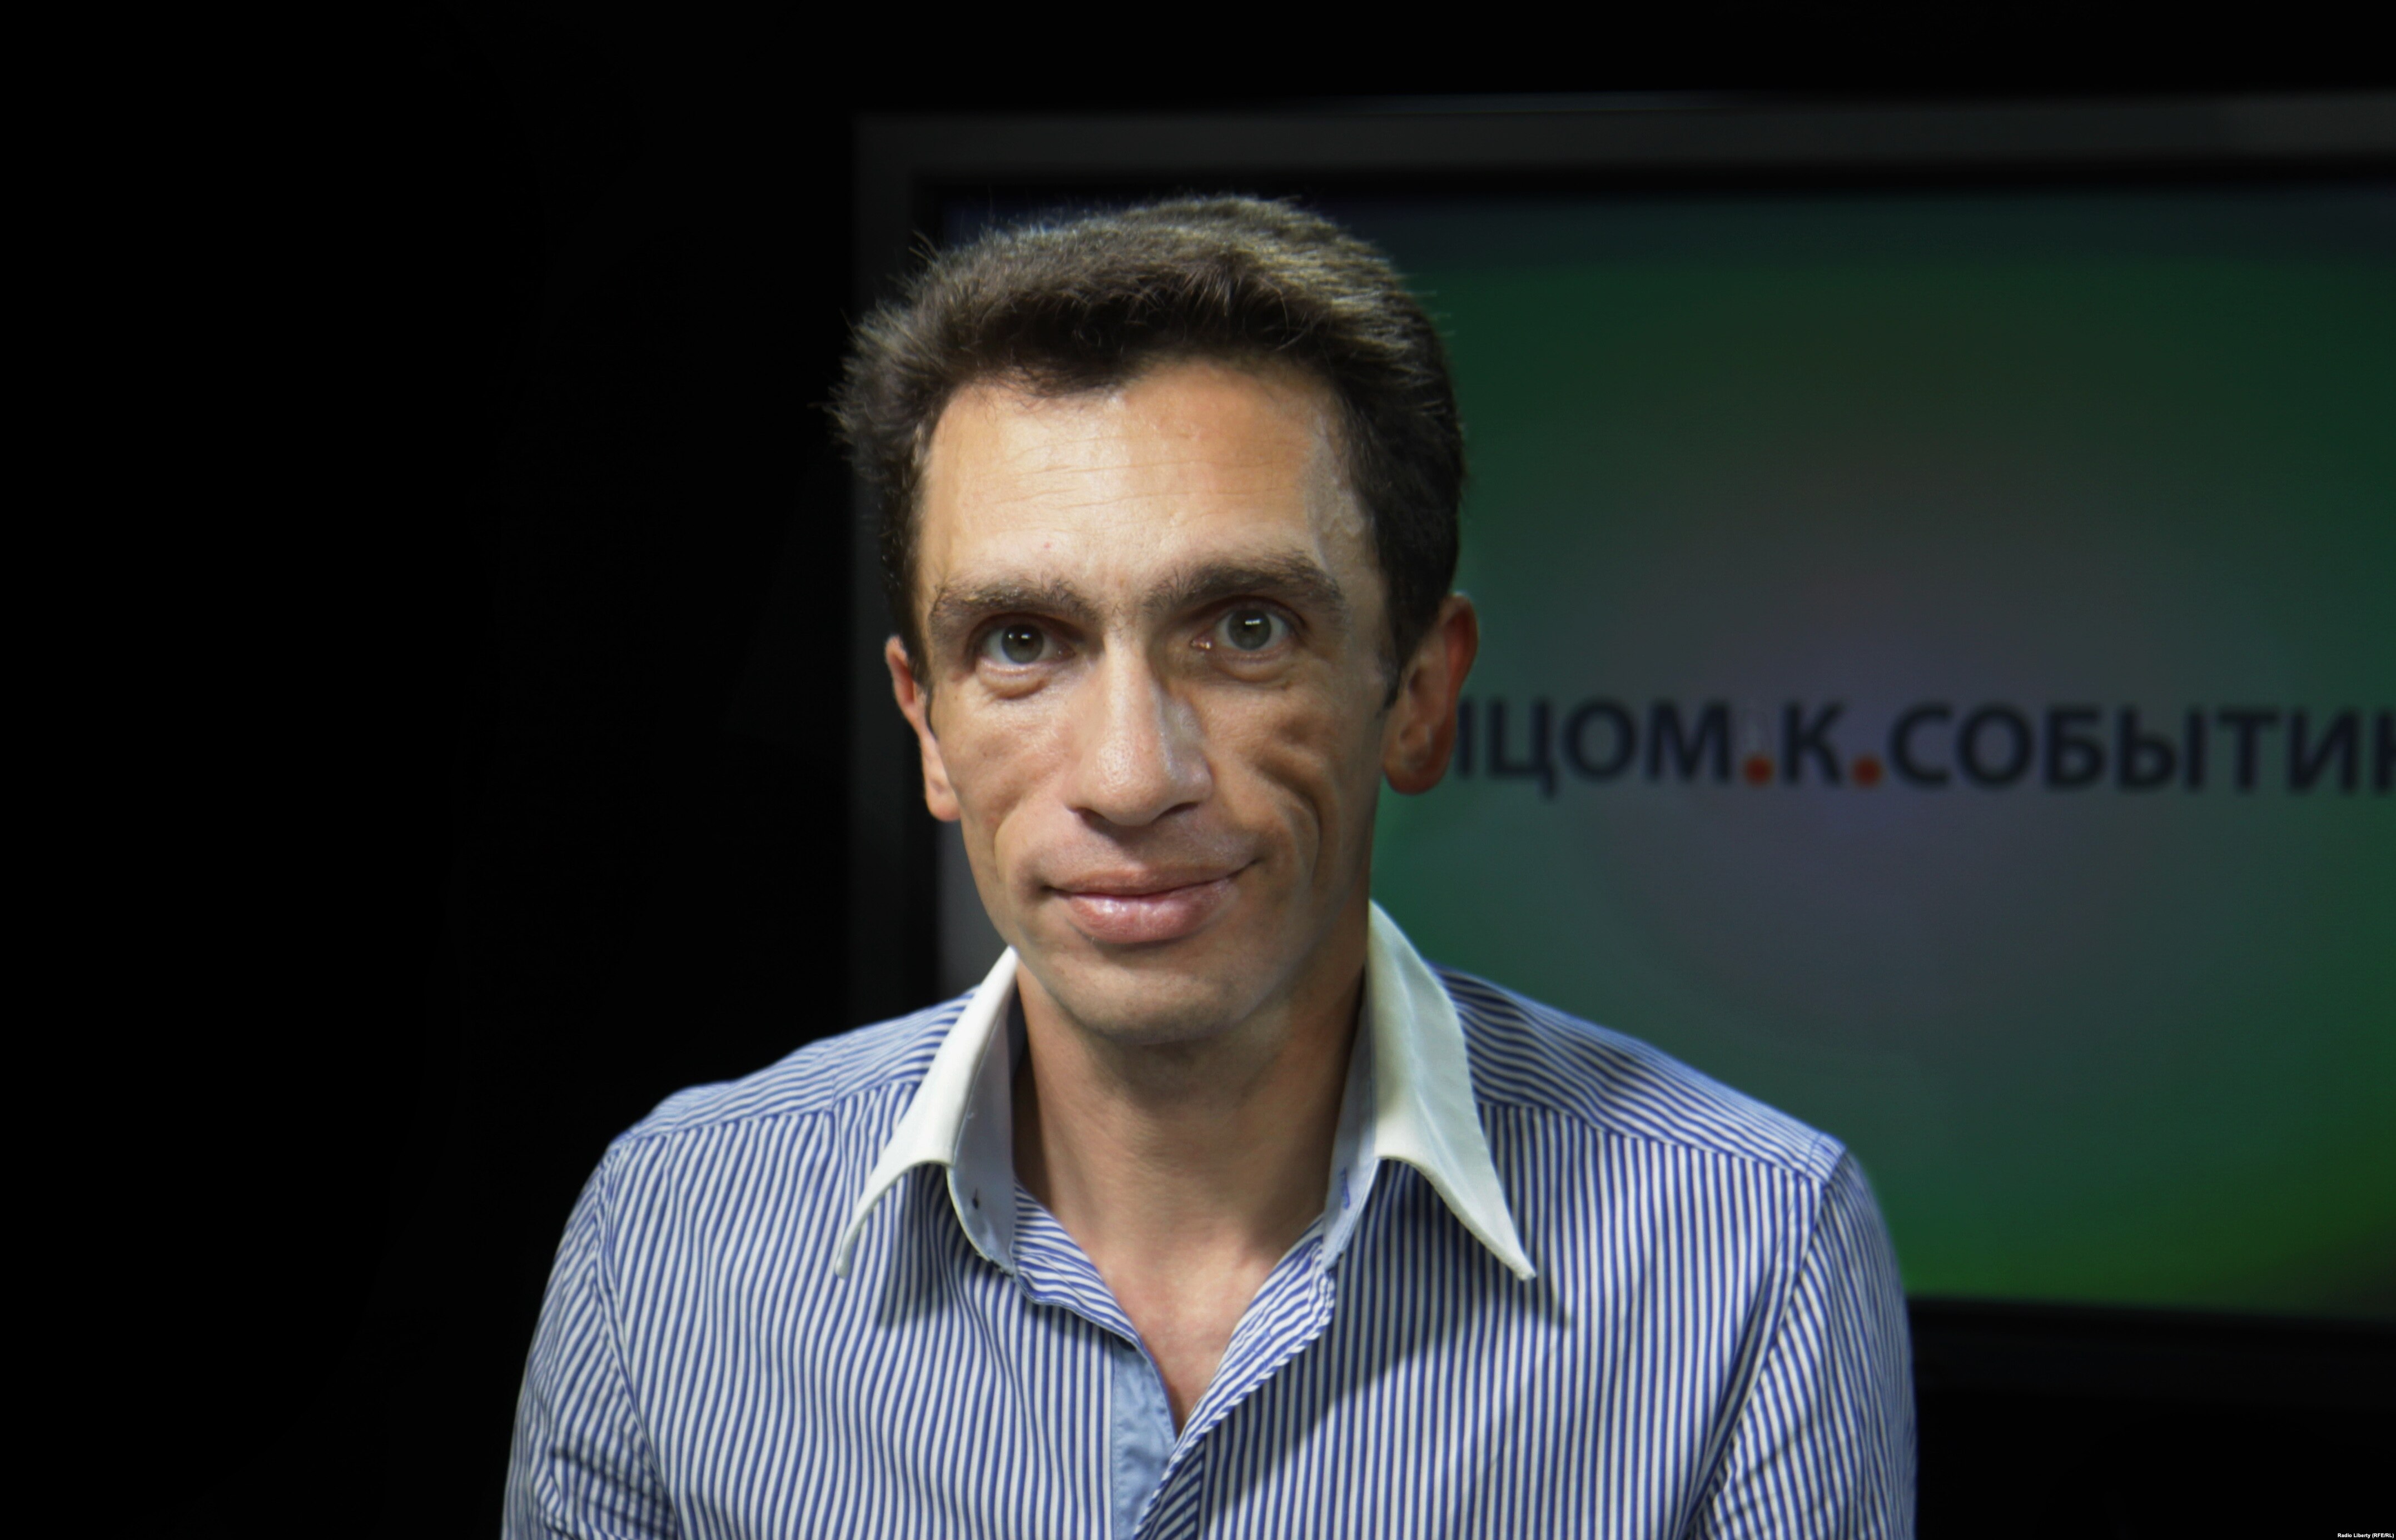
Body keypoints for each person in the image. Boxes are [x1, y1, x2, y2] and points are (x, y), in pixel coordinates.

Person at [503, 196, 1915, 1538]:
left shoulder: (1751, 1258)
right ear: (926, 726)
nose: (1130, 777)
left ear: (1418, 694)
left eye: (1245, 628)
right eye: (1020, 643)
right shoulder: (668, 1238)